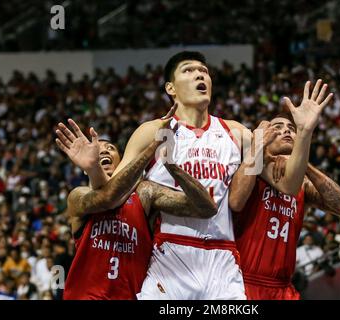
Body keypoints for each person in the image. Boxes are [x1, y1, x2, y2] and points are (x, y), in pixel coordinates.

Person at [72, 51, 253, 300]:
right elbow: (112, 195)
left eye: (204, 71)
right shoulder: (151, 131)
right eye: (188, 70)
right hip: (171, 253)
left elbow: (271, 187)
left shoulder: (238, 132)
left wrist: (302, 133)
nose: (200, 74)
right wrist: (94, 169)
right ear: (171, 87)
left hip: (224, 254)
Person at [54, 109, 217, 300]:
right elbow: (106, 198)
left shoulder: (144, 192)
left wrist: (173, 167)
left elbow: (207, 208)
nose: (104, 150)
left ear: (123, 162)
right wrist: (151, 146)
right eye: (98, 150)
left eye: (111, 148)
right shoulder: (78, 196)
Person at [230, 80, 340, 300]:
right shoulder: (252, 166)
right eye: (278, 127)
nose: (286, 131)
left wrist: (305, 165)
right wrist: (261, 150)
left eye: (291, 129)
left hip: (283, 287)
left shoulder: (302, 183)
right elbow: (235, 201)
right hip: (241, 281)